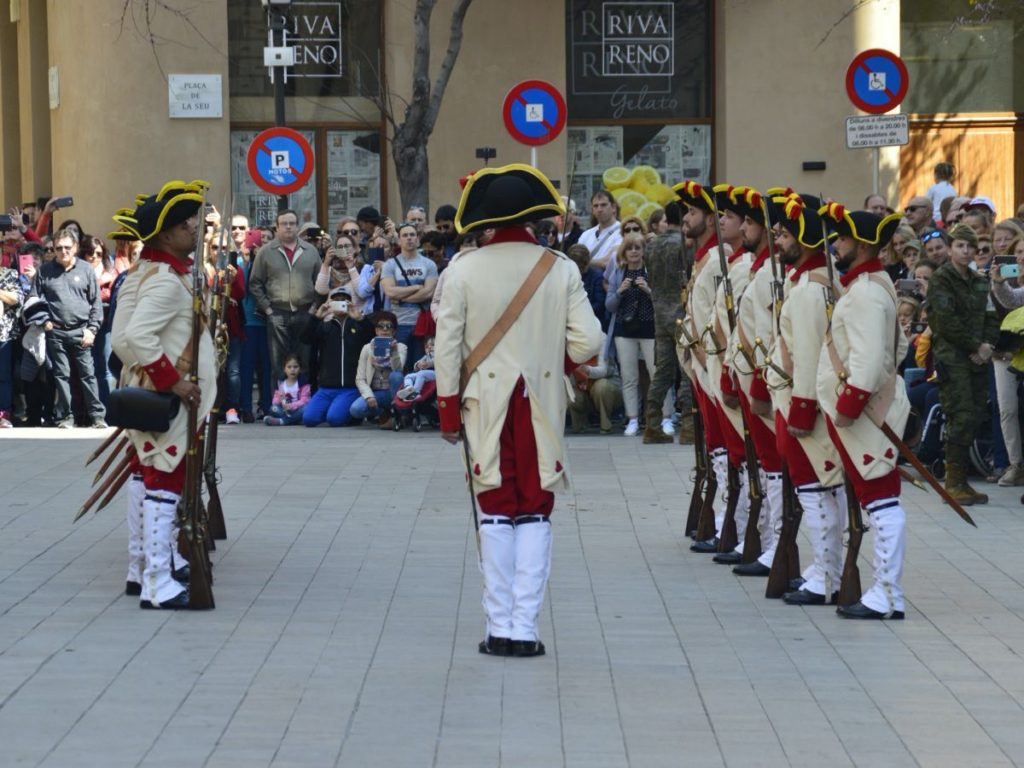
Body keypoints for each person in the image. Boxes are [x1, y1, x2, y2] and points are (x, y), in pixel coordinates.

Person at [434, 163, 602, 658]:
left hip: (483, 405)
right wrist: (556, 359)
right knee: (534, 509)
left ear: (486, 221)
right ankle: (525, 628)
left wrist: (447, 412)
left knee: (494, 510)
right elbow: (589, 341)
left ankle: (498, 627)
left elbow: (447, 349)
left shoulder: (461, 270)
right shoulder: (560, 267)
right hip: (540, 405)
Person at [109, 179, 216, 609]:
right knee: (164, 481)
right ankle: (156, 579)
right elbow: (133, 336)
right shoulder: (167, 281)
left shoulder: (148, 273)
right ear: (167, 233)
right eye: (189, 224)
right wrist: (171, 379)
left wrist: (147, 373)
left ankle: (141, 567)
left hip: (151, 392)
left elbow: (121, 342)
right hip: (169, 399)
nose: (197, 230)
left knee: (147, 473)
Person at [816, 204, 911, 620]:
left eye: (841, 238)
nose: (835, 245)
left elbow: (871, 361)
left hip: (865, 412)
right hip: (866, 408)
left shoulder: (868, 291)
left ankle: (888, 594)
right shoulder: (871, 285)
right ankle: (883, 591)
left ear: (863, 242)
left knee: (881, 500)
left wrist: (849, 404)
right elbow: (900, 347)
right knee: (876, 498)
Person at [761, 194, 846, 606]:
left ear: (804, 238)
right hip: (794, 397)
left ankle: (827, 575)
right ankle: (824, 568)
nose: (778, 239)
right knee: (814, 489)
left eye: (784, 232)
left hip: (801, 401)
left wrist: (802, 407)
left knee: (816, 488)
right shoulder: (806, 281)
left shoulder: (811, 290)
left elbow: (809, 354)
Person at [927, 223, 1001, 504]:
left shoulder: (979, 280)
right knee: (959, 415)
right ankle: (953, 482)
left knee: (974, 413)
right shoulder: (942, 278)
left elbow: (991, 315)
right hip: (953, 357)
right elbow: (946, 322)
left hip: (977, 357)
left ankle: (961, 482)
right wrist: (976, 345)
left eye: (971, 247)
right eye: (960, 245)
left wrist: (987, 346)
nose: (967, 251)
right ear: (950, 248)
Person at [31, 228, 106, 428]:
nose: (63, 251)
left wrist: (92, 329)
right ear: (54, 249)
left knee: (88, 374)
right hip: (56, 331)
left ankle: (97, 417)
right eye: (58, 248)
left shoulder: (86, 270)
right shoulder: (44, 271)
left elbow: (96, 304)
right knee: (61, 375)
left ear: (75, 248)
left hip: (82, 330)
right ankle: (66, 418)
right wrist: (44, 321)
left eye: (67, 247)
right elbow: (33, 299)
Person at [248, 208, 321, 376]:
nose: (288, 227)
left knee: (304, 362)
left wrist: (314, 308)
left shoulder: (310, 251)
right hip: (277, 314)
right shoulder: (266, 252)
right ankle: (279, 402)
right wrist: (267, 309)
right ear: (277, 227)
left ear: (297, 226)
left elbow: (321, 282)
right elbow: (255, 283)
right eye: (284, 224)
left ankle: (302, 401)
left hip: (305, 312)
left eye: (292, 223)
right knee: (278, 365)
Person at [642, 200, 690, 443]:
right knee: (687, 369)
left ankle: (652, 425)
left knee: (663, 370)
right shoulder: (684, 244)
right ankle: (689, 427)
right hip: (681, 312)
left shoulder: (651, 245)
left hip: (659, 311)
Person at [300, 286, 375, 427]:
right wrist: (316, 318)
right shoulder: (324, 326)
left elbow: (372, 338)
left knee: (335, 419)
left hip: (350, 386)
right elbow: (305, 338)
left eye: (344, 300)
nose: (340, 303)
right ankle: (335, 409)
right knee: (309, 419)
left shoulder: (358, 324)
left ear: (350, 303)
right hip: (326, 387)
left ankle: (349, 414)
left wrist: (360, 319)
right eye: (336, 300)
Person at [606, 234, 656, 437]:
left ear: (644, 251)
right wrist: (619, 292)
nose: (634, 251)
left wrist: (649, 290)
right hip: (624, 331)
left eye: (638, 247)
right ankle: (633, 419)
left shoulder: (650, 272)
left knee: (657, 374)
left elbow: (662, 301)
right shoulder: (618, 274)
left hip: (650, 329)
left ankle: (664, 417)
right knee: (629, 377)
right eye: (630, 248)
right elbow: (609, 306)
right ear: (624, 253)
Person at [987, 234, 1024, 486]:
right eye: (1019, 252)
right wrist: (998, 283)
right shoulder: (999, 279)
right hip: (1003, 351)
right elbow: (1011, 299)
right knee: (1007, 409)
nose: (1022, 257)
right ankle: (1015, 465)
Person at [380, 222, 438, 367]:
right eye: (405, 235)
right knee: (398, 367)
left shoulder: (429, 264)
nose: (409, 238)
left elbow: (429, 292)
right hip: (399, 324)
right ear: (399, 240)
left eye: (412, 235)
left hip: (422, 323)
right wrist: (417, 287)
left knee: (421, 367)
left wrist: (400, 296)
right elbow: (389, 291)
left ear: (418, 238)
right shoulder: (390, 265)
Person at [352, 310, 406, 427]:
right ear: (376, 330)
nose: (385, 329)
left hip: (393, 393)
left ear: (394, 331)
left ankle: (398, 414)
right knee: (356, 409)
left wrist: (393, 352)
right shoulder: (367, 349)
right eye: (381, 326)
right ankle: (383, 414)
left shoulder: (401, 347)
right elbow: (360, 378)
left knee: (396, 375)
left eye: (389, 326)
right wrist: (369, 396)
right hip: (376, 392)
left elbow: (398, 369)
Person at [566, 333, 623, 434]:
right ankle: (580, 425)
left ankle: (605, 425)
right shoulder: (568, 340)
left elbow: (603, 370)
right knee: (570, 392)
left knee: (601, 386)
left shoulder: (601, 337)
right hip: (582, 388)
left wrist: (586, 370)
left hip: (607, 387)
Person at [0, 258, 24, 427]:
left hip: (4, 334)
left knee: (3, 376)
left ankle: (4, 413)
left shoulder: (9, 274)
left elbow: (17, 298)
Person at [577, 190, 622, 273]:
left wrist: (583, 262)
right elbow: (576, 259)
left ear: (613, 208)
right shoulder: (586, 235)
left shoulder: (623, 231)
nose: (599, 209)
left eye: (603, 205)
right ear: (592, 210)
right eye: (596, 206)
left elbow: (608, 262)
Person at [264, 353, 311, 426]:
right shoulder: (281, 383)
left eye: (295, 367)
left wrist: (292, 406)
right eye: (289, 367)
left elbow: (305, 400)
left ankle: (283, 421)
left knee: (307, 408)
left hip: (298, 409)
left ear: (300, 369)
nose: (292, 369)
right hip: (285, 410)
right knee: (273, 408)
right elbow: (276, 398)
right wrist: (279, 401)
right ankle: (295, 420)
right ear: (284, 369)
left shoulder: (303, 383)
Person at [397, 336, 436, 401]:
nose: (429, 347)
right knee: (408, 376)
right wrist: (418, 365)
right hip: (425, 374)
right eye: (426, 346)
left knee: (421, 373)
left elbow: (435, 361)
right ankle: (409, 388)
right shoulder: (426, 357)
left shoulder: (440, 356)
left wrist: (428, 364)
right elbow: (416, 365)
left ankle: (415, 393)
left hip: (436, 374)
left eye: (432, 345)